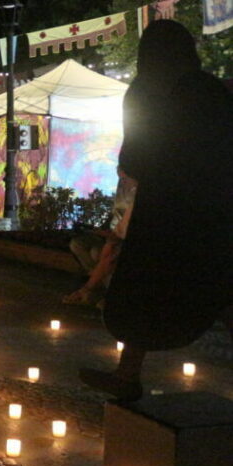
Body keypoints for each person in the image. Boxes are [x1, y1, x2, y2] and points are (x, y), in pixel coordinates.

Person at [81, 20, 233, 401]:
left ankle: (128, 374)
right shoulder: (213, 91)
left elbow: (136, 156)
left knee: (148, 290)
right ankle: (126, 374)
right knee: (216, 286)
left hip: (167, 212)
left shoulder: (149, 93)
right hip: (215, 209)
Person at [64, 169, 137, 306]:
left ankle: (96, 289)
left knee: (100, 253)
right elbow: (114, 214)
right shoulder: (122, 186)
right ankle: (97, 283)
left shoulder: (137, 196)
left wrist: (110, 239)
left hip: (122, 238)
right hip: (113, 233)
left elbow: (115, 241)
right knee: (78, 244)